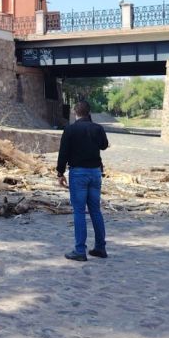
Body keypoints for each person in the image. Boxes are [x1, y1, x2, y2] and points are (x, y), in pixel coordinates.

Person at [56, 100, 109, 261]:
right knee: (95, 210)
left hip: (78, 173)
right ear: (89, 112)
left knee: (79, 212)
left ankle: (80, 251)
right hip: (95, 173)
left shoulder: (70, 129)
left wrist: (60, 172)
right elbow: (104, 145)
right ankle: (100, 248)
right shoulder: (97, 128)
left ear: (75, 112)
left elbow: (63, 153)